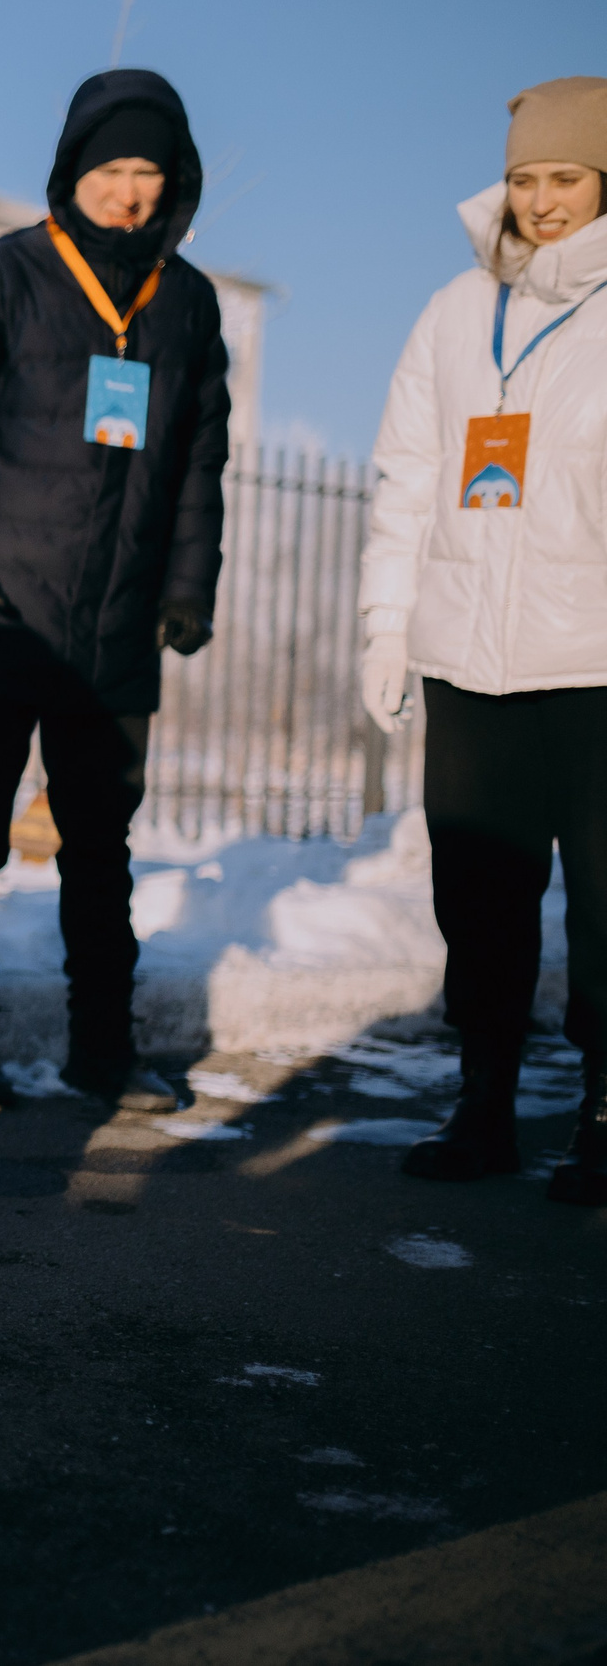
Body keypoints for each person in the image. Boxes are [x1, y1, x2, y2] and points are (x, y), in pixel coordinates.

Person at [0, 70, 231, 1113]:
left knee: (100, 849)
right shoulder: (0, 275)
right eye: (110, 171)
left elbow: (198, 463)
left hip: (116, 632)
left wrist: (187, 585)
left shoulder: (186, 301)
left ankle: (104, 1048)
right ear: (71, 174)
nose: (129, 194)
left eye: (149, 173)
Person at [356, 76, 607, 1204]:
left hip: (594, 665)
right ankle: (485, 1107)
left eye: (565, 178)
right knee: (481, 899)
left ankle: (603, 1115)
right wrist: (386, 626)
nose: (542, 202)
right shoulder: (456, 312)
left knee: (604, 903)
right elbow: (403, 481)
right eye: (524, 179)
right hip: (468, 661)